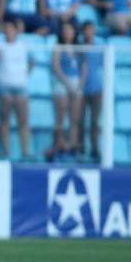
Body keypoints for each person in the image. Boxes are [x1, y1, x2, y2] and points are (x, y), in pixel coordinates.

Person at [0, 18, 34, 160]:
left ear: (16, 31)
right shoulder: (0, 47)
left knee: (23, 121)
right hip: (5, 86)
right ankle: (7, 151)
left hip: (20, 86)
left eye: (11, 29)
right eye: (6, 29)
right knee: (5, 120)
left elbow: (32, 62)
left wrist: (24, 75)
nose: (8, 31)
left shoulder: (23, 46)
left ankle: (25, 151)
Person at [47, 19, 82, 162]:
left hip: (76, 82)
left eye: (70, 30)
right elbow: (55, 66)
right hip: (62, 82)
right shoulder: (58, 47)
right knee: (60, 117)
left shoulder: (79, 48)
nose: (67, 33)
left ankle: (72, 146)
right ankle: (58, 146)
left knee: (74, 119)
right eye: (65, 30)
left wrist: (80, 83)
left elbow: (83, 67)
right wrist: (66, 82)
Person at [80, 21, 104, 162]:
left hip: (96, 88)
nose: (89, 32)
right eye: (87, 29)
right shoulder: (80, 46)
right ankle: (81, 148)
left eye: (91, 29)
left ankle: (95, 149)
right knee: (80, 121)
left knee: (95, 121)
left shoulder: (100, 47)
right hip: (82, 89)